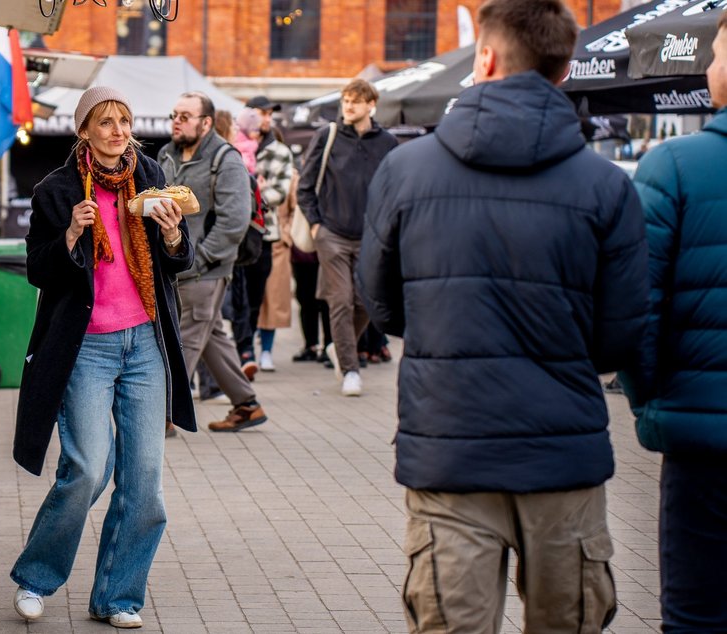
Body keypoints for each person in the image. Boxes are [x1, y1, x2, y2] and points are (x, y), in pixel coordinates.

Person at [356, 0, 649, 630]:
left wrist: (444, 325)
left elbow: (381, 305)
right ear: (565, 69)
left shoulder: (404, 170)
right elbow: (622, 331)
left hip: (450, 449)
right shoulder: (607, 185)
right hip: (563, 453)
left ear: (483, 57)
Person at [9, 86, 196, 628]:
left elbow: (178, 262)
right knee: (88, 468)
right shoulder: (56, 190)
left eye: (124, 120)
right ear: (84, 130)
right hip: (85, 347)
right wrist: (70, 231)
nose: (117, 130)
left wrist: (173, 234)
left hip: (145, 345)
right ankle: (35, 578)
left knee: (145, 483)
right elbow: (39, 271)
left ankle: (119, 597)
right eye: (105, 121)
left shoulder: (153, 178)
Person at [619, 13, 727, 631]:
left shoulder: (675, 165)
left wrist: (651, 399)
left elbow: (639, 307)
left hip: (703, 445)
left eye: (715, 55)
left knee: (696, 614)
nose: (708, 67)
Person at [157, 91, 269, 432]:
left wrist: (197, 260)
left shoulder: (226, 158)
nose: (177, 121)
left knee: (186, 338)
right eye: (174, 114)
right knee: (212, 336)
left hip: (206, 268)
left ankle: (160, 414)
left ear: (206, 122)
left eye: (185, 116)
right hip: (174, 263)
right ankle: (247, 406)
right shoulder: (165, 155)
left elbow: (234, 221)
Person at [297, 79, 397, 396]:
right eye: (345, 101)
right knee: (340, 300)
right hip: (332, 235)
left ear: (371, 105)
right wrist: (316, 225)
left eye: (355, 101)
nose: (349, 106)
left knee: (365, 301)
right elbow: (305, 186)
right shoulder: (327, 136)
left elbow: (395, 190)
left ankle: (341, 349)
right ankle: (350, 370)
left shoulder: (388, 143)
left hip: (370, 236)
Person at [256, 126, 295, 372]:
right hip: (255, 236)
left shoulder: (288, 172)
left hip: (278, 240)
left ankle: (266, 351)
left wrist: (287, 235)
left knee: (271, 302)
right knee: (253, 301)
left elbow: (293, 207)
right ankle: (247, 349)